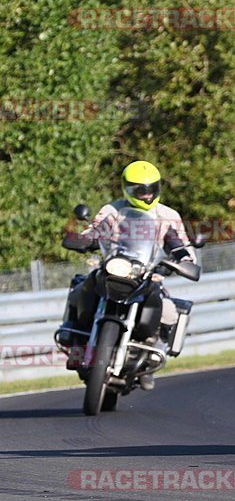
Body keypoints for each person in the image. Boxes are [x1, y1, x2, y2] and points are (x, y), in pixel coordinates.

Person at [58, 160, 195, 390]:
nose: (147, 195)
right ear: (127, 189)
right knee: (81, 288)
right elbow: (96, 230)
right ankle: (75, 340)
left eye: (152, 189)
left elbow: (179, 243)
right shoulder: (112, 211)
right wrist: (83, 240)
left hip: (147, 272)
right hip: (114, 266)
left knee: (168, 310)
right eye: (140, 190)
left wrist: (183, 260)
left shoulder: (168, 216)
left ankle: (150, 353)